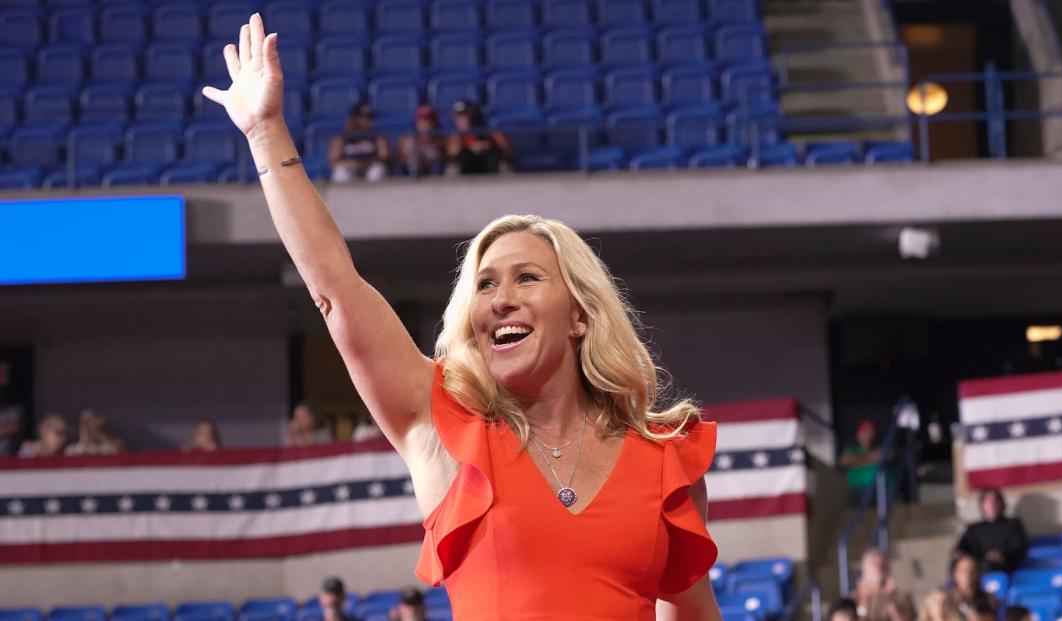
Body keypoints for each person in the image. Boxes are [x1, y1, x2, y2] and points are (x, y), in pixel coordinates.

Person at [201, 14, 719, 619]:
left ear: (580, 315)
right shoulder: (439, 424)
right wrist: (265, 133)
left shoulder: (664, 456)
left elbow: (691, 612)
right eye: (484, 285)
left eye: (527, 277)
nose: (500, 298)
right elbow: (336, 290)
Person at [954, 487, 1029, 574]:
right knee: (958, 563)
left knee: (989, 565)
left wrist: (1002, 555)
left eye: (995, 501)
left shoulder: (1013, 524)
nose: (992, 505)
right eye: (988, 502)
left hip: (1005, 565)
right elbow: (962, 547)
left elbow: (1019, 547)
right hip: (976, 565)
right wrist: (958, 552)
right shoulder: (974, 528)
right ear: (982, 505)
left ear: (1001, 503)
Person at [445, 100, 513, 175]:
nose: (462, 120)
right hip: (468, 168)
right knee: (457, 162)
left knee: (496, 158)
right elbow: (452, 153)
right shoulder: (457, 135)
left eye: (465, 116)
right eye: (459, 117)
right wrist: (470, 147)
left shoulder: (488, 131)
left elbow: (507, 150)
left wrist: (488, 145)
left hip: (488, 167)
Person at [329, 103, 390, 183]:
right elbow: (334, 161)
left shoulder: (378, 135)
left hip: (370, 166)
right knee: (340, 174)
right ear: (355, 119)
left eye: (370, 118)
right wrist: (351, 164)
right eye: (365, 118)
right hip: (350, 167)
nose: (369, 121)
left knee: (377, 171)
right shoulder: (342, 136)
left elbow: (384, 157)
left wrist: (365, 163)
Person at [851, 548, 917, 621]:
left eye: (883, 565)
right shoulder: (854, 598)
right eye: (875, 565)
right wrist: (863, 603)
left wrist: (890, 600)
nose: (879, 568)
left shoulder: (902, 597)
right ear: (864, 569)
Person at [841, 420, 889, 507]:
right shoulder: (850, 450)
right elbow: (845, 461)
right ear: (858, 434)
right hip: (856, 490)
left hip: (875, 490)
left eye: (869, 432)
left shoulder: (877, 450)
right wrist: (869, 460)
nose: (866, 435)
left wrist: (857, 461)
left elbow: (883, 455)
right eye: (864, 432)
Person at [945, 555, 999, 621]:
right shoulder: (944, 598)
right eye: (963, 571)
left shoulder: (988, 600)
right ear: (955, 574)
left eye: (972, 571)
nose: (968, 575)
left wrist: (968, 607)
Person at [398, 105, 445, 178]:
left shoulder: (441, 138)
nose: (426, 124)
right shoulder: (408, 138)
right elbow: (400, 159)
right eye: (422, 120)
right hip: (411, 174)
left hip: (433, 174)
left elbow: (446, 157)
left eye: (429, 120)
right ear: (417, 122)